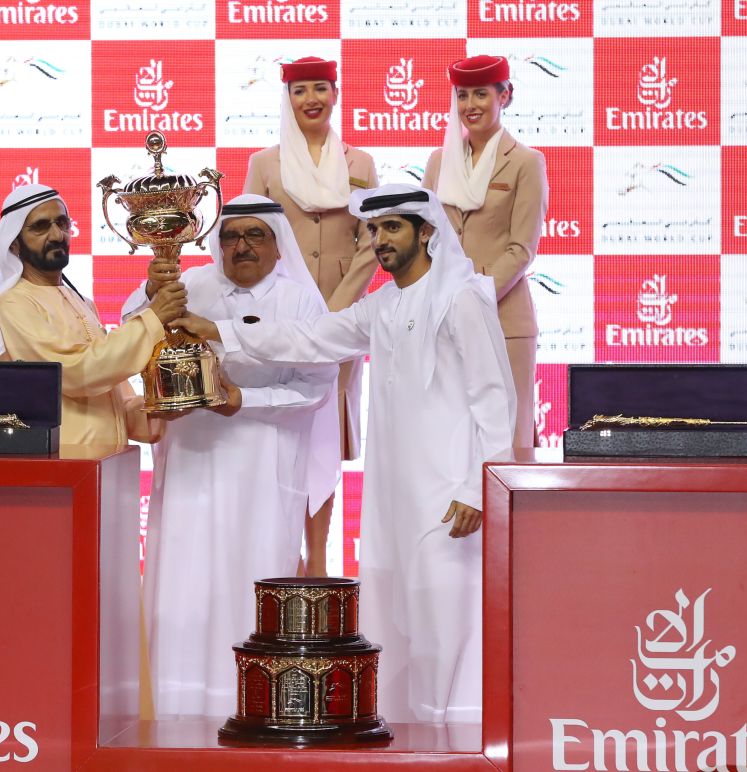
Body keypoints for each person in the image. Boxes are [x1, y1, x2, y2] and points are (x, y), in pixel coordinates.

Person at [172, 183, 516, 724]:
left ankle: (466, 730)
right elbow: (309, 338)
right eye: (375, 230)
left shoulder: (463, 295)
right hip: (395, 493)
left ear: (427, 233)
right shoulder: (381, 305)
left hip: (452, 495)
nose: (381, 240)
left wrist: (479, 486)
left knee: (449, 613)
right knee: (399, 615)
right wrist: (219, 330)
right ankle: (410, 731)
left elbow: (496, 400)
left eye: (393, 228)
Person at [123, 195, 338, 716]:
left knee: (252, 579)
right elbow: (132, 326)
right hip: (192, 461)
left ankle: (253, 707)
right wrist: (153, 289)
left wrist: (245, 399)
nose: (239, 246)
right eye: (229, 236)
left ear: (276, 241)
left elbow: (317, 384)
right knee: (185, 583)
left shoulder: (300, 301)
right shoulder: (191, 283)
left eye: (253, 235)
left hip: (265, 465)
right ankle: (172, 705)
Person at [244, 55, 379, 576]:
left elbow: (372, 242)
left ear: (336, 94)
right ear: (288, 98)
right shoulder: (265, 164)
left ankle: (319, 559)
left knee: (326, 437)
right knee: (283, 429)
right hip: (281, 319)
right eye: (300, 90)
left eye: (320, 88)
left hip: (342, 320)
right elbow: (250, 239)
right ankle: (281, 552)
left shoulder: (360, 163)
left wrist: (336, 309)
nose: (311, 99)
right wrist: (293, 306)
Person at [0, 183, 186, 446]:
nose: (57, 235)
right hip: (59, 469)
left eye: (62, 223)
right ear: (13, 244)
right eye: (40, 226)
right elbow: (76, 373)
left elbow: (117, 400)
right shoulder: (14, 303)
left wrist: (163, 408)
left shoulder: (81, 302)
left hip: (106, 467)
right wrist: (153, 317)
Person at [422, 54, 548, 449]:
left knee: (507, 441)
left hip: (503, 317)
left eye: (481, 94)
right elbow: (426, 237)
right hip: (443, 317)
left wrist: (472, 295)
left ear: (504, 96)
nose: (470, 105)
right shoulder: (439, 161)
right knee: (450, 438)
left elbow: (521, 248)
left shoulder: (526, 162)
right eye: (462, 96)